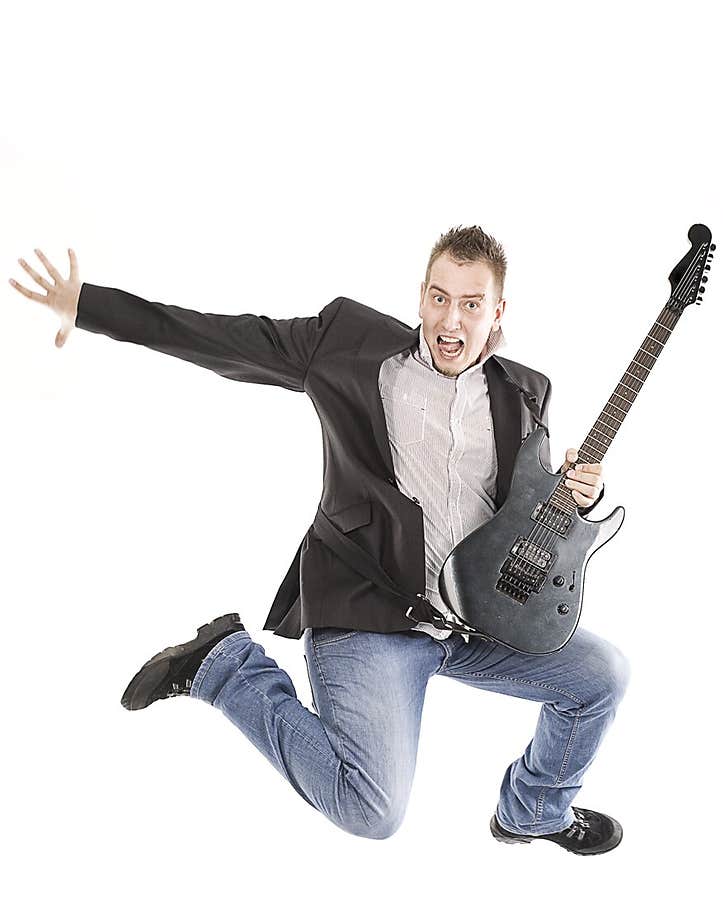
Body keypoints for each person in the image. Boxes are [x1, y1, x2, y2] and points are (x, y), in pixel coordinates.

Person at [9, 226, 630, 854]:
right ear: (420, 297)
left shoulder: (527, 393)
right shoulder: (345, 345)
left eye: (471, 304)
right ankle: (222, 666)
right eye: (439, 298)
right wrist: (87, 306)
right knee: (372, 809)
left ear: (498, 312)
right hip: (371, 615)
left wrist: (574, 499)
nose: (451, 320)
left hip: (474, 623)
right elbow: (217, 337)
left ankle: (532, 811)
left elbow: (522, 529)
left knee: (602, 676)